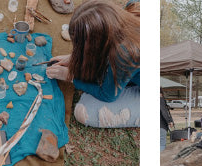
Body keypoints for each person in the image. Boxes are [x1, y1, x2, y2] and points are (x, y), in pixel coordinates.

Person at [45, 0, 140, 128]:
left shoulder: (125, 54)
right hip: (130, 67)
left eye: (81, 46)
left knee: (84, 112)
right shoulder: (132, 6)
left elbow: (107, 95)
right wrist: (75, 57)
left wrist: (70, 76)